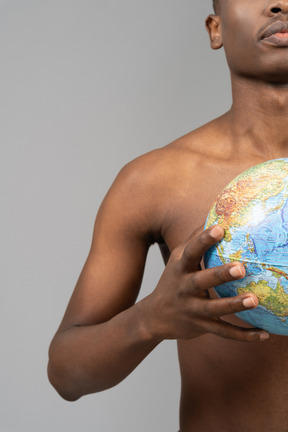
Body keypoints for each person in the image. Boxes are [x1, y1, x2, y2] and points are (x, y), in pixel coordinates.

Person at [48, 0, 288, 430]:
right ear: (215, 29)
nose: (281, 3)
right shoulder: (154, 181)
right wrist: (150, 319)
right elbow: (66, 373)